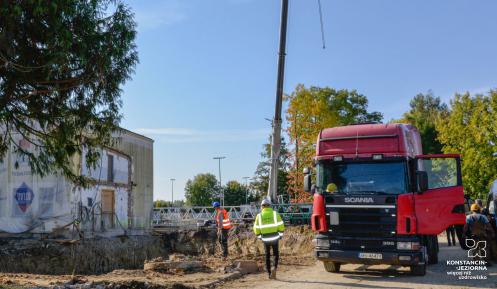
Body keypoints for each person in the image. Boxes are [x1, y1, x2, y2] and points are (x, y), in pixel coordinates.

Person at [253, 198, 285, 279]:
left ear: (262, 207)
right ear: (269, 206)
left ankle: (269, 273)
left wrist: (260, 237)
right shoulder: (275, 214)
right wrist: (280, 235)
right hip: (275, 237)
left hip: (265, 238)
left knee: (267, 255)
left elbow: (256, 228)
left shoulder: (259, 216)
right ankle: (274, 266)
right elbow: (281, 225)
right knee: (275, 254)